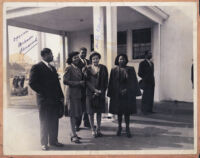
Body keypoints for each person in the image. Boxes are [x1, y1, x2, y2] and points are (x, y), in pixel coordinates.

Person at [29, 48, 64, 150]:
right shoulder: (36, 67)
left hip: (55, 100)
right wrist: (44, 93)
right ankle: (44, 143)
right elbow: (32, 83)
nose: (52, 56)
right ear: (44, 55)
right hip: (44, 100)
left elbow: (57, 84)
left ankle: (53, 141)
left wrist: (61, 96)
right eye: (51, 54)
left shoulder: (52, 68)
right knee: (44, 121)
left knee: (54, 121)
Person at [107, 54, 141, 138]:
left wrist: (127, 89)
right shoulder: (114, 70)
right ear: (117, 60)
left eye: (123, 59)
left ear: (126, 60)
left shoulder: (130, 69)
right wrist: (117, 91)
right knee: (119, 112)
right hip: (117, 94)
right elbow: (112, 83)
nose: (121, 61)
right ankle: (119, 127)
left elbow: (133, 82)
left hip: (128, 94)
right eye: (120, 59)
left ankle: (127, 128)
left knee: (127, 112)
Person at [84, 51, 108, 138]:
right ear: (91, 60)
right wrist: (94, 90)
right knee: (90, 113)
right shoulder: (87, 68)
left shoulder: (103, 68)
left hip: (100, 93)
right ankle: (93, 130)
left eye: (97, 58)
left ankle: (98, 129)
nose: (95, 60)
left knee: (99, 112)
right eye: (93, 59)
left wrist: (101, 91)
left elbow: (105, 81)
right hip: (90, 93)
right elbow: (86, 81)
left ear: (99, 59)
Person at [63, 51, 85, 144]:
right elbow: (65, 81)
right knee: (72, 115)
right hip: (71, 94)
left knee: (76, 114)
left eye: (77, 57)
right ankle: (73, 135)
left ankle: (73, 133)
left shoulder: (78, 68)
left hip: (77, 94)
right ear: (71, 59)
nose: (76, 59)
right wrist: (78, 83)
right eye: (74, 57)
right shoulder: (69, 68)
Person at [75, 47, 90, 131]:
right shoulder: (76, 62)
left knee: (87, 105)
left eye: (85, 53)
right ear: (79, 53)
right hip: (80, 88)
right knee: (79, 107)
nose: (83, 54)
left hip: (87, 88)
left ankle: (87, 122)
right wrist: (82, 71)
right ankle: (77, 124)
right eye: (82, 53)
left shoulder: (88, 62)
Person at [138, 51, 155, 115]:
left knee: (151, 96)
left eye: (151, 53)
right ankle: (144, 110)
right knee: (145, 96)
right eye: (149, 54)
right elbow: (139, 73)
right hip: (146, 82)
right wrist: (145, 78)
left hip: (152, 82)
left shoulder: (152, 63)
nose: (151, 55)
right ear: (145, 55)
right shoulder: (142, 63)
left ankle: (150, 109)